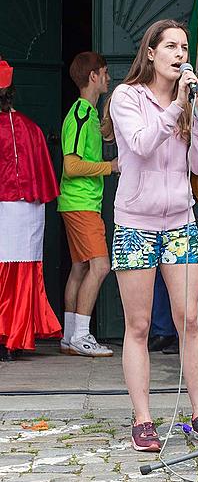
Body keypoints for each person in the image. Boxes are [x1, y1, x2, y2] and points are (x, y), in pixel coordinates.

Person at [101, 19, 198, 452]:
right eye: (170, 46)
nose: (179, 54)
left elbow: (197, 165)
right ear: (150, 53)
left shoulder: (187, 103)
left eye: (184, 47)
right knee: (138, 325)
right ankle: (143, 418)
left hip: (180, 223)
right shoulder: (126, 96)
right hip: (135, 223)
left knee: (189, 320)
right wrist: (175, 110)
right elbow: (140, 143)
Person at [0, 58, 62, 361]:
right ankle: (12, 339)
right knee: (21, 276)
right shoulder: (32, 130)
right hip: (26, 215)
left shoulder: (30, 129)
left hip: (13, 213)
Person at [58, 51, 117, 358]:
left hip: (77, 203)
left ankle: (70, 337)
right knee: (100, 265)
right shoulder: (81, 114)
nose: (108, 78)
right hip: (81, 203)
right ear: (93, 76)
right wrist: (111, 166)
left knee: (80, 268)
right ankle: (81, 336)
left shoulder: (89, 114)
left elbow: (101, 137)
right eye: (105, 73)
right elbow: (71, 166)